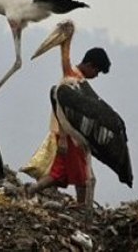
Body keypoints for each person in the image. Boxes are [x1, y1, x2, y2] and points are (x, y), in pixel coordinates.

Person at [24, 47, 111, 205]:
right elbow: (61, 109)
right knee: (83, 175)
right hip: (70, 134)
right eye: (96, 71)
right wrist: (63, 137)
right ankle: (82, 207)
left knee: (59, 173)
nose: (96, 76)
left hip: (67, 133)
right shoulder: (73, 79)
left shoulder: (75, 76)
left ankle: (30, 190)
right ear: (90, 65)